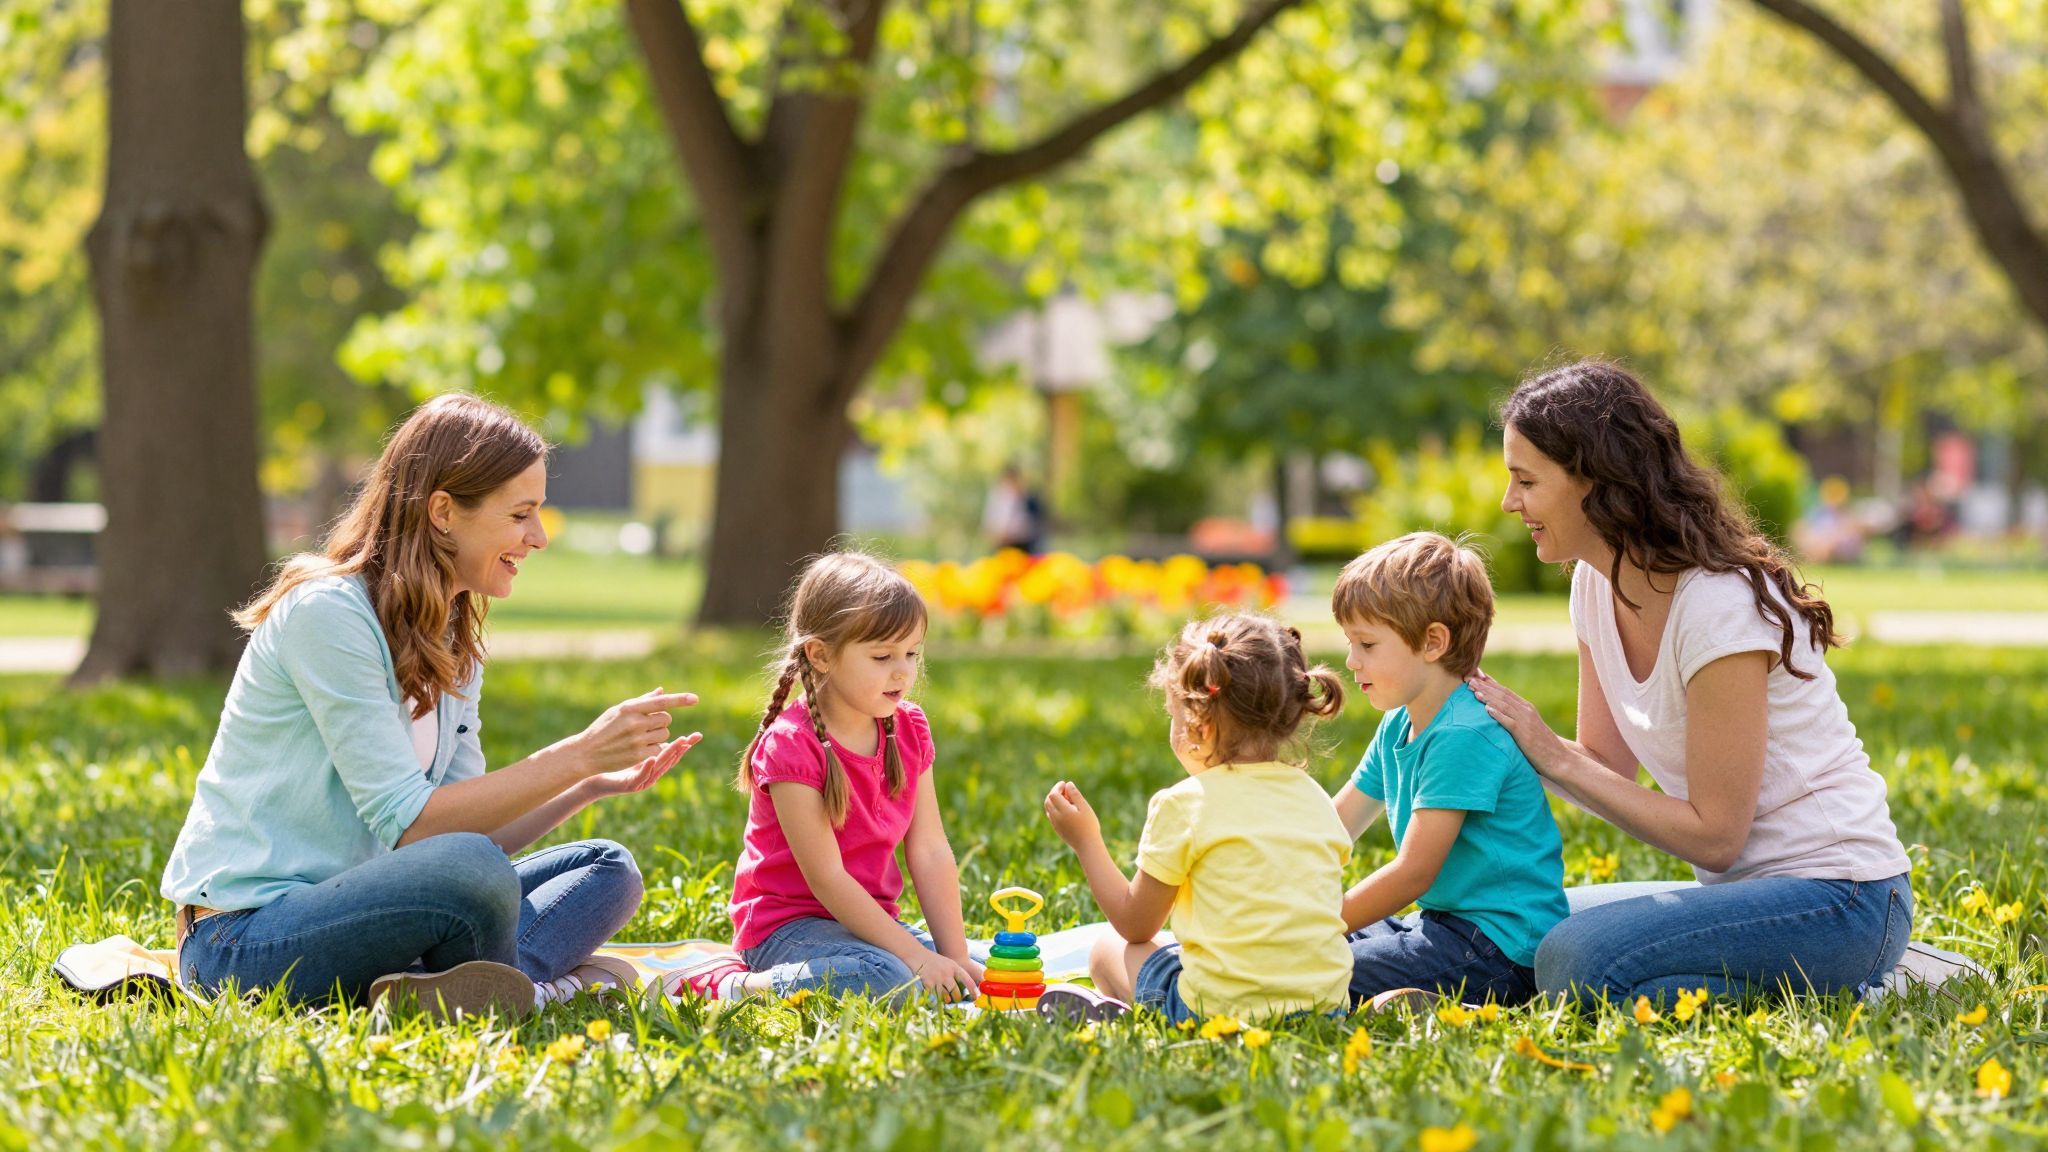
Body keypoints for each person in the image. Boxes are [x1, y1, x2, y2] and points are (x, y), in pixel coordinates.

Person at [162, 394, 702, 1019]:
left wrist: (587, 780)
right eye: (521, 514)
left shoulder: (448, 631)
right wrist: (574, 752)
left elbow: (469, 833)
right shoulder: (328, 614)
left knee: (608, 868)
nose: (539, 537)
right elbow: (415, 827)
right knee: (470, 869)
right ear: (444, 511)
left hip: (368, 909)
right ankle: (521, 985)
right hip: (244, 941)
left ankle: (454, 987)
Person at [1471, 359, 1912, 1003]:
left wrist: (1550, 754)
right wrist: (1493, 727)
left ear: (1591, 479)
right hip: (1742, 900)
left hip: (1844, 897)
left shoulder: (1717, 604)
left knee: (1575, 955)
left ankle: (1871, 983)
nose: (1510, 502)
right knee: (1519, 924)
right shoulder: (1595, 585)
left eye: (1526, 480)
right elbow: (1604, 766)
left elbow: (1716, 836)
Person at [655, 551, 984, 1003]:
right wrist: (917, 958)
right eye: (883, 655)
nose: (903, 670)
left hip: (862, 925)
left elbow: (929, 849)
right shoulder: (793, 744)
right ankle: (729, 986)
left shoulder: (908, 727)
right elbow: (827, 878)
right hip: (784, 932)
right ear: (821, 655)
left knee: (968, 973)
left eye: (912, 653)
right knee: (892, 975)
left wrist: (953, 955)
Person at [1040, 613, 1352, 1024]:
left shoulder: (1185, 804)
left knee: (1107, 950)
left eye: (1174, 716)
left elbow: (1135, 925)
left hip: (1212, 1012)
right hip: (1323, 1009)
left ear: (1198, 728)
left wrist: (1086, 841)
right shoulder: (1314, 798)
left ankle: (1124, 1011)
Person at [1329, 533, 1568, 1008]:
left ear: (1433, 642)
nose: (1351, 661)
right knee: (1320, 953)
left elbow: (1414, 873)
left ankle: (1436, 1003)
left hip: (1502, 952)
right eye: (1350, 643)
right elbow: (1335, 826)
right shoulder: (1400, 720)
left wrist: (1308, 925)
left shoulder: (1464, 733)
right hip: (1441, 924)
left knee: (1310, 969)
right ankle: (1409, 997)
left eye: (1368, 643)